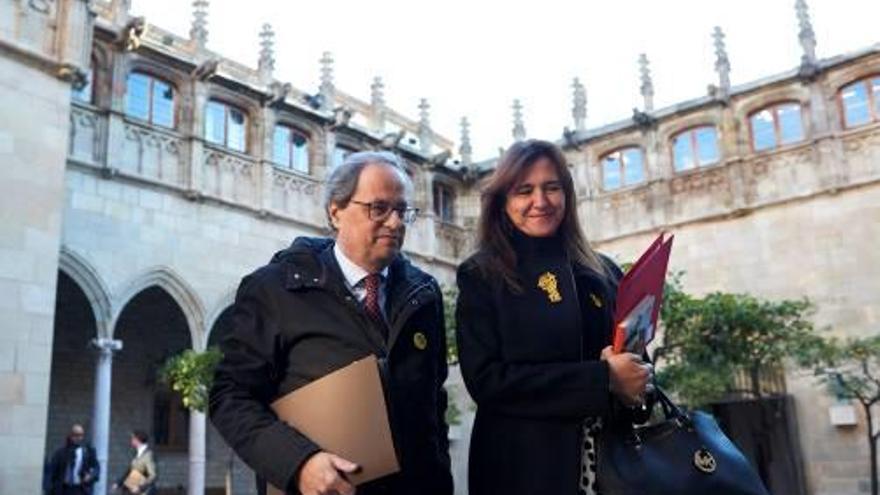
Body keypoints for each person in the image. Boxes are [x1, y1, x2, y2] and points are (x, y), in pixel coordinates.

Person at [209, 151, 453, 495]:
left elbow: (434, 405)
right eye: (379, 208)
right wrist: (299, 464)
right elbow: (230, 397)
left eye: (402, 211)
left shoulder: (424, 295)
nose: (396, 223)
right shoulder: (275, 288)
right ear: (336, 212)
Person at [455, 139, 654, 495]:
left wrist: (635, 388)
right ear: (503, 201)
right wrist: (602, 379)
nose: (540, 202)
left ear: (567, 194)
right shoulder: (481, 275)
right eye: (524, 191)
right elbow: (487, 381)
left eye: (552, 188)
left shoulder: (604, 272)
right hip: (523, 471)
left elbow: (639, 374)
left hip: (611, 471)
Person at [46, 424, 100, 495]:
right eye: (76, 435)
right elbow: (52, 472)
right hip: (63, 489)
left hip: (81, 489)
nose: (79, 438)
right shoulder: (60, 453)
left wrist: (90, 476)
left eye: (81, 435)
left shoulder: (88, 452)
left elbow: (96, 467)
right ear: (71, 436)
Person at [111, 430, 157, 495]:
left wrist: (140, 487)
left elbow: (152, 476)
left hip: (145, 490)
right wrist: (118, 483)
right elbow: (130, 470)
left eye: (133, 438)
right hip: (133, 486)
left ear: (138, 440)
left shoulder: (149, 454)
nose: (131, 440)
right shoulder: (137, 453)